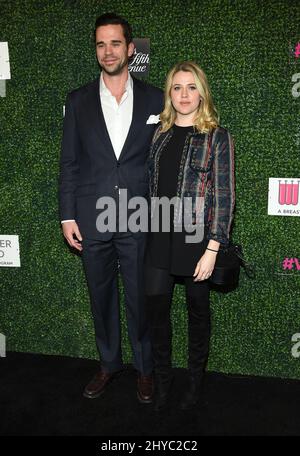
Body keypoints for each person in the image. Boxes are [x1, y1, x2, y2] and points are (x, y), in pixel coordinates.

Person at [59, 13, 163, 403]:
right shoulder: (78, 100)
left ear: (130, 49)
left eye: (115, 43)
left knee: (139, 297)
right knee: (100, 297)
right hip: (91, 217)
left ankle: (144, 368)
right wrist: (67, 215)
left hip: (138, 216)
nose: (108, 51)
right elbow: (69, 162)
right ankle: (108, 364)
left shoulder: (156, 98)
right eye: (101, 44)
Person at [145, 61, 235, 411]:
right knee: (157, 314)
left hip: (197, 240)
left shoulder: (217, 137)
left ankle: (195, 383)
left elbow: (224, 195)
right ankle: (163, 383)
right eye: (177, 87)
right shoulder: (159, 134)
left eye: (191, 87)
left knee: (198, 314)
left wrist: (213, 247)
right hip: (158, 236)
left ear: (202, 92)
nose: (184, 94)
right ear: (170, 93)